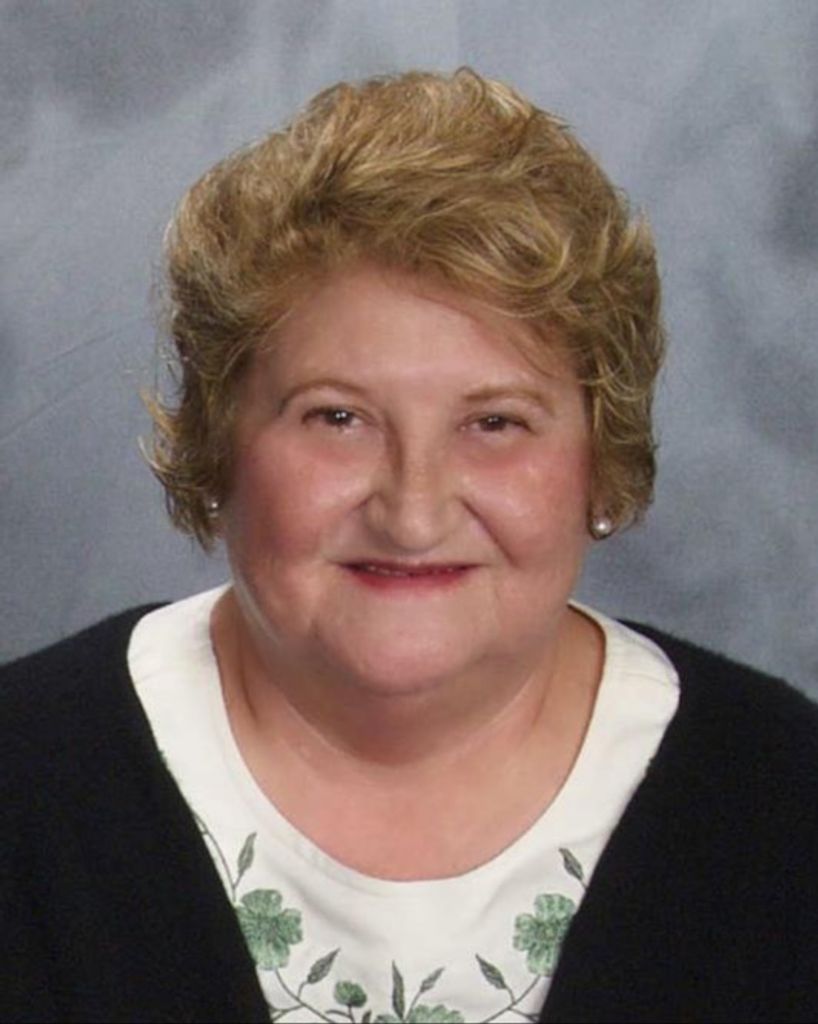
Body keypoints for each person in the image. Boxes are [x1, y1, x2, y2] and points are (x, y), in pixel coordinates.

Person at [2, 68, 816, 1024]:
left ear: (601, 459)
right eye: (337, 417)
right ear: (218, 444)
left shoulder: (785, 804)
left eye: (496, 423)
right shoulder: (23, 782)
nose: (413, 511)